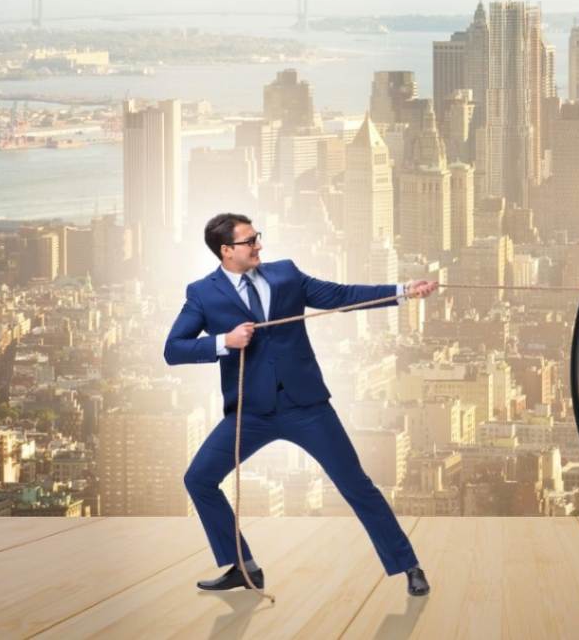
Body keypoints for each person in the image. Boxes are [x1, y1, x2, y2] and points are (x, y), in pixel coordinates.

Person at [164, 212, 437, 595]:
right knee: (199, 479)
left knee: (356, 484)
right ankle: (243, 566)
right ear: (226, 251)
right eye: (249, 241)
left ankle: (408, 566)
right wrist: (224, 341)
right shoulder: (203, 293)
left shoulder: (285, 274)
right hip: (251, 412)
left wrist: (404, 290)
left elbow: (341, 296)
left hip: (306, 406)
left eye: (257, 237)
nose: (258, 245)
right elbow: (173, 350)